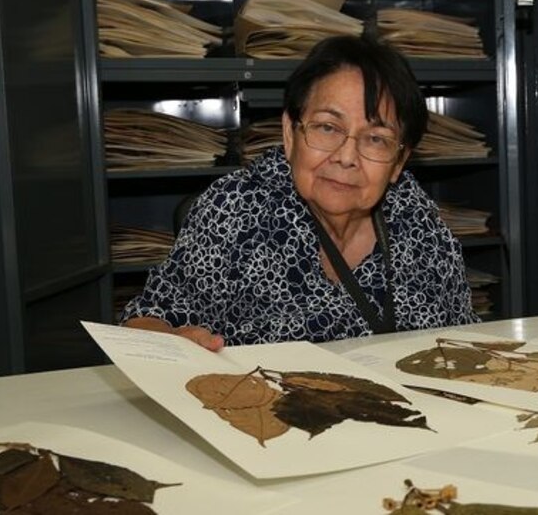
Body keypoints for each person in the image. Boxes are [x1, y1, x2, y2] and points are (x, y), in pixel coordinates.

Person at [123, 35, 480, 350]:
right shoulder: (234, 212)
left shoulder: (420, 225)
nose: (345, 157)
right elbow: (145, 322)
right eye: (327, 127)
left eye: (376, 139)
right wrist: (173, 345)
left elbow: (461, 340)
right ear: (291, 133)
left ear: (399, 161)